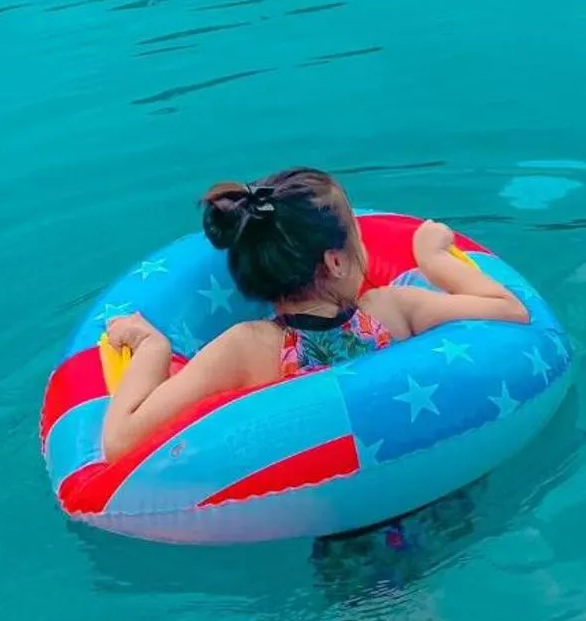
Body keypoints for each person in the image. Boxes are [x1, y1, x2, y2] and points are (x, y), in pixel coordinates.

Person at [101, 168, 530, 460]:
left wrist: (152, 348)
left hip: (329, 515)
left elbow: (122, 442)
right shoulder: (394, 309)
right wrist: (435, 259)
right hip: (434, 481)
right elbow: (509, 309)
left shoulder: (246, 349)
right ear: (337, 262)